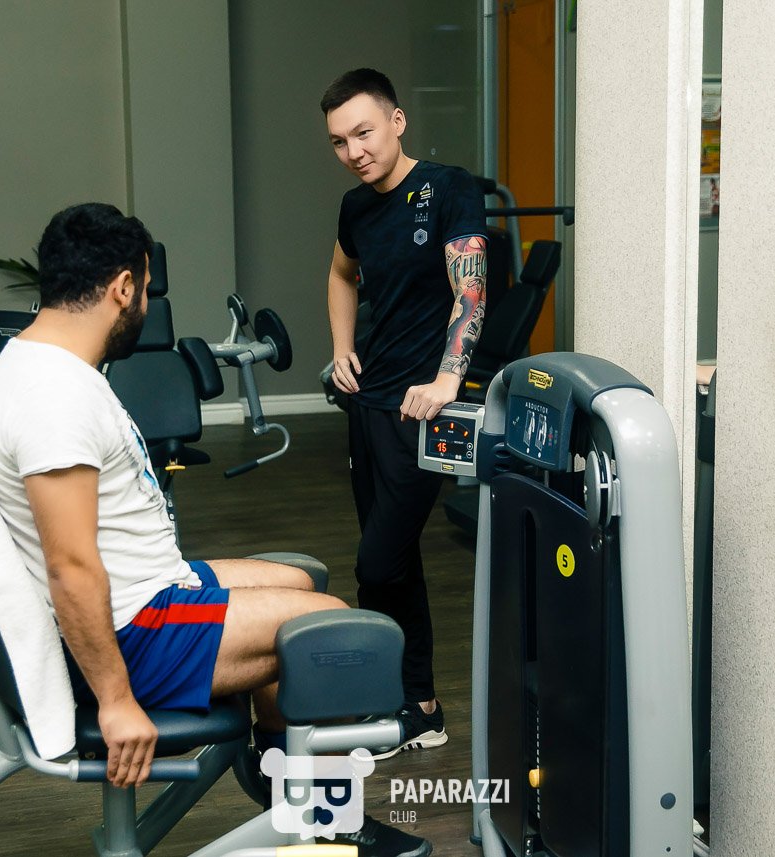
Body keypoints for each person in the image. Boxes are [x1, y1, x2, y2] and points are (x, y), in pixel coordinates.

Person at [0, 203, 431, 857]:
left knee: (300, 581)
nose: (143, 304)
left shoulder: (43, 364)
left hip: (144, 591)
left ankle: (287, 786)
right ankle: (327, 817)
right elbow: (69, 566)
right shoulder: (53, 398)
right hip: (132, 630)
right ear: (123, 287)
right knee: (334, 628)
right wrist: (115, 701)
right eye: (143, 289)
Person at [322, 69, 487, 760]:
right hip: (368, 403)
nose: (354, 151)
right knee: (394, 560)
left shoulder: (448, 188)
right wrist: (342, 349)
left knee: (376, 561)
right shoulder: (355, 208)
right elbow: (341, 274)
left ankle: (390, 698)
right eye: (339, 141)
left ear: (396, 121)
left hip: (420, 411)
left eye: (363, 132)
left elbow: (470, 290)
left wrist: (448, 378)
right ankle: (418, 706)